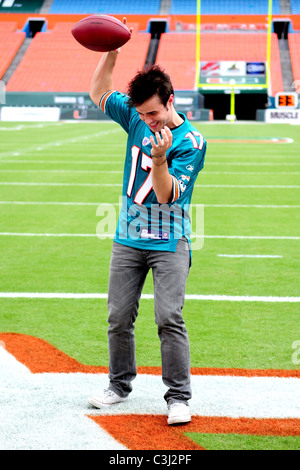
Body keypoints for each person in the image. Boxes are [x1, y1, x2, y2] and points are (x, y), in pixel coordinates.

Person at [88, 19, 206, 425]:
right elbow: (99, 91)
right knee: (119, 316)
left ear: (171, 100)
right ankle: (119, 385)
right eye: (143, 114)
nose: (149, 121)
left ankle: (178, 397)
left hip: (169, 240)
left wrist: (159, 160)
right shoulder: (137, 117)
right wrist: (113, 48)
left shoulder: (191, 142)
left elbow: (164, 194)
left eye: (154, 112)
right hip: (127, 237)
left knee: (168, 317)